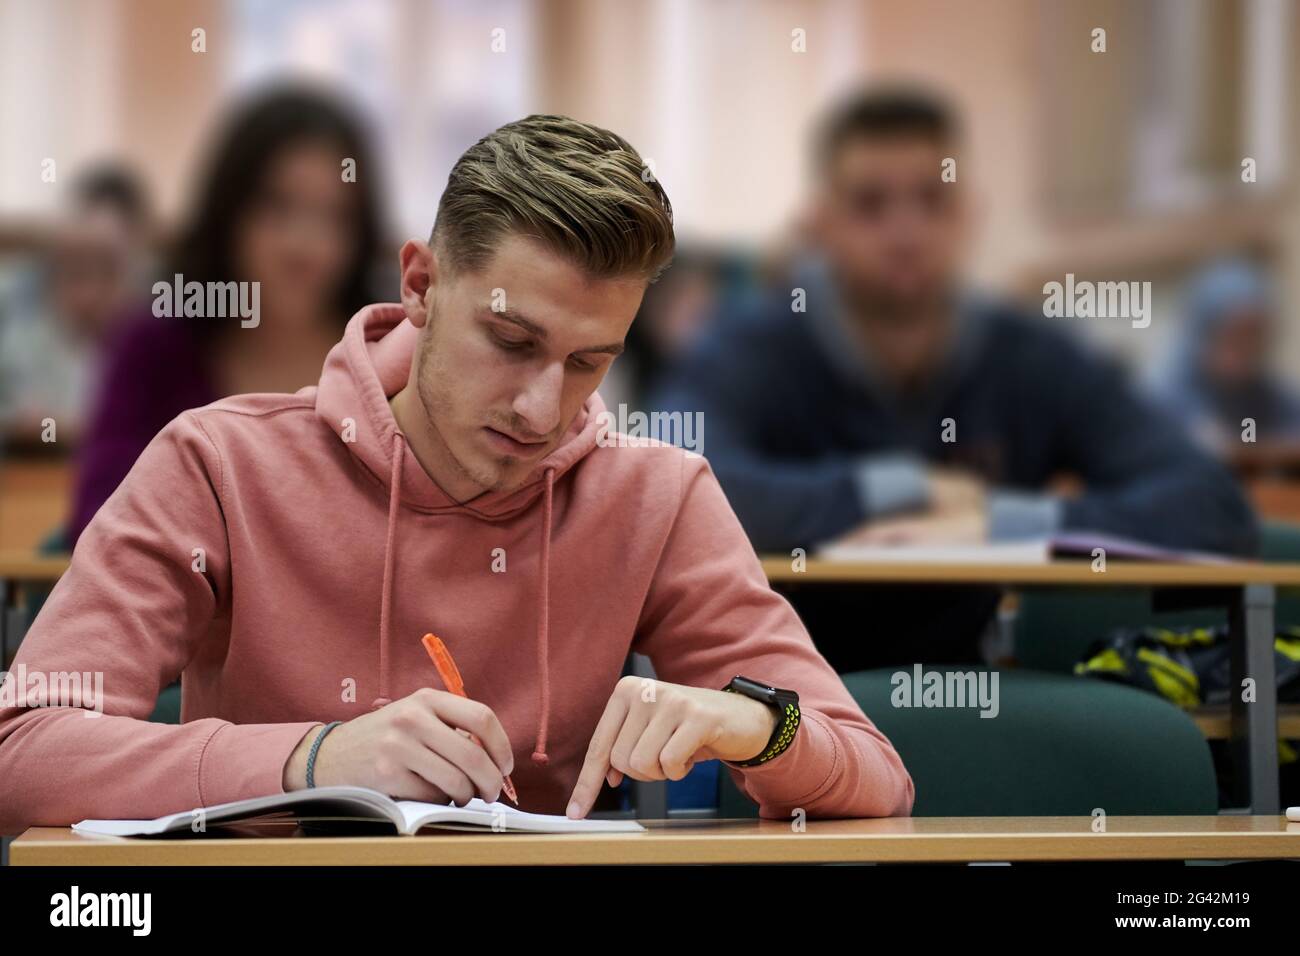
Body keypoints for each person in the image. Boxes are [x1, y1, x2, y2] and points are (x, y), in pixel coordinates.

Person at [0, 114, 914, 833]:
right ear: (421, 286)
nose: (542, 411)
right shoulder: (218, 463)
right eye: (511, 342)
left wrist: (763, 729)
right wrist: (313, 762)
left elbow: (879, 778)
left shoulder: (657, 497)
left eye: (589, 362)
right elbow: (21, 749)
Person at [650, 86, 1259, 670]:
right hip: (769, 701)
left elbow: (1212, 506)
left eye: (933, 199)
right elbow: (668, 485)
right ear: (819, 223)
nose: (906, 233)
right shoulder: (750, 348)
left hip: (982, 704)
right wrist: (903, 489)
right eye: (870, 204)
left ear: (970, 213)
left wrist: (999, 521)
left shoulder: (1032, 358)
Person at [67, 83, 388, 545]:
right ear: (229, 211)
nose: (304, 243)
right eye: (278, 206)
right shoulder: (153, 345)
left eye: (335, 216)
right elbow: (99, 519)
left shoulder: (385, 354)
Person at [0, 163, 151, 447]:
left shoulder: (153, 350)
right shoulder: (23, 342)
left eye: (107, 273)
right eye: (74, 273)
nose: (88, 296)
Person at [1150, 258, 1300, 451]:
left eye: (1255, 336)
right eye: (1235, 336)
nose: (1247, 349)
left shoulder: (1271, 397)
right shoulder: (1163, 399)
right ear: (1203, 333)